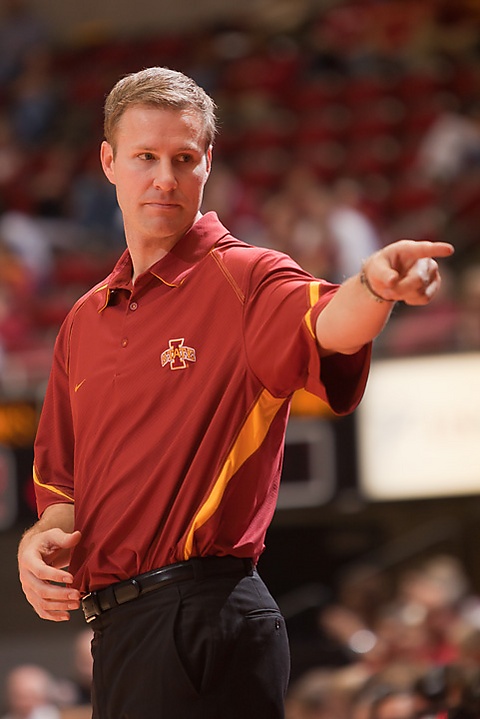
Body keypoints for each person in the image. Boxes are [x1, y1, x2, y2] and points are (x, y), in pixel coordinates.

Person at [17, 66, 454, 719]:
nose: (165, 178)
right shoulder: (83, 320)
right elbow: (62, 493)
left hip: (201, 619)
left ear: (208, 163)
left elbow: (329, 322)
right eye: (145, 157)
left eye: (183, 158)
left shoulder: (247, 277)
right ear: (108, 163)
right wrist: (38, 547)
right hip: (119, 632)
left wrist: (373, 287)